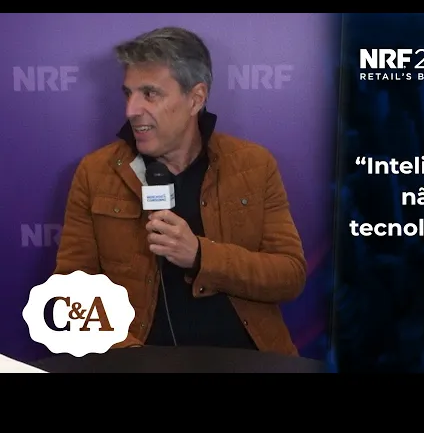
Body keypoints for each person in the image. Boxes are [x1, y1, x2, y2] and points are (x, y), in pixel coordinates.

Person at [52, 26, 307, 356]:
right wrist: (129, 355)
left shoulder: (254, 165)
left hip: (248, 357)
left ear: (196, 98)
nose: (131, 110)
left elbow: (289, 276)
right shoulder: (95, 173)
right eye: (128, 94)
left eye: (150, 94)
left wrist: (201, 255)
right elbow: (71, 293)